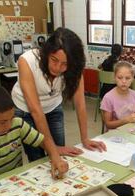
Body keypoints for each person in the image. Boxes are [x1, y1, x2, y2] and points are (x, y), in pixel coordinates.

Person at [12, 27, 106, 162]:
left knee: (61, 152)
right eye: (54, 60)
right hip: (26, 110)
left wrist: (85, 138)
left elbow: (80, 104)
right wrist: (53, 150)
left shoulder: (75, 68)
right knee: (38, 157)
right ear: (46, 53)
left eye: (64, 64)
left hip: (53, 107)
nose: (57, 68)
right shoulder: (27, 61)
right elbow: (36, 110)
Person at [100, 61, 135, 130]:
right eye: (120, 78)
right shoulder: (108, 98)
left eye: (128, 78)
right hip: (114, 135)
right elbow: (108, 124)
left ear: (132, 79)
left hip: (131, 131)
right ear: (114, 78)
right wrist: (125, 120)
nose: (124, 81)